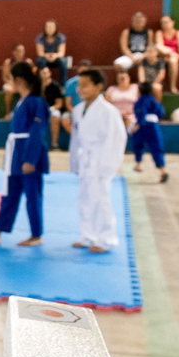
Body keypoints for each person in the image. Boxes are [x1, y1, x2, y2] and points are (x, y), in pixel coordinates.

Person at [0, 63, 48, 248]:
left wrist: (30, 159)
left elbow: (38, 131)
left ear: (19, 80)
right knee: (9, 194)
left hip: (29, 154)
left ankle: (36, 234)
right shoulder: (21, 101)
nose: (8, 82)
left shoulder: (36, 102)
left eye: (9, 78)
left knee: (33, 196)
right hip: (16, 153)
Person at [69, 69, 128, 254]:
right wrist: (75, 162)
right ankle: (87, 236)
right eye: (79, 85)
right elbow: (76, 139)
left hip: (101, 159)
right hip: (85, 158)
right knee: (85, 198)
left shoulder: (109, 111)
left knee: (100, 200)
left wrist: (108, 166)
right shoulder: (79, 110)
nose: (80, 89)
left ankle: (105, 239)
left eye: (85, 85)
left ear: (98, 87)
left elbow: (117, 139)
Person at [130, 81, 168, 182]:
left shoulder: (140, 101)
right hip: (154, 125)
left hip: (142, 126)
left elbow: (141, 111)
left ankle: (138, 164)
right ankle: (162, 169)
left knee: (138, 144)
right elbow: (161, 112)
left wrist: (138, 124)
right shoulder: (154, 101)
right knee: (156, 147)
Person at [155, 15, 179, 93]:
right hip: (164, 57)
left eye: (166, 22)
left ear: (173, 22)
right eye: (162, 23)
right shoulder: (159, 33)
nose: (164, 25)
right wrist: (175, 55)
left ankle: (173, 87)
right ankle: (172, 87)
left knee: (173, 60)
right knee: (171, 57)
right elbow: (161, 49)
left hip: (176, 59)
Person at [39, 65, 68, 151]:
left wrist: (51, 108)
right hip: (39, 109)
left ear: (49, 74)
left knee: (55, 115)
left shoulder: (55, 86)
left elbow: (59, 103)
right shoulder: (37, 86)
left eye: (46, 72)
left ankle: (54, 144)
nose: (44, 74)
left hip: (52, 109)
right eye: (42, 73)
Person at [34, 19, 67, 84]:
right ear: (45, 28)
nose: (50, 29)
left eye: (52, 27)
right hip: (44, 57)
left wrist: (54, 56)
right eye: (48, 27)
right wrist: (47, 56)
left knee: (63, 61)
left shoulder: (61, 37)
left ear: (56, 28)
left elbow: (61, 53)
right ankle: (42, 83)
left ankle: (63, 85)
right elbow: (40, 53)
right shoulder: (40, 38)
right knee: (40, 60)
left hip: (56, 58)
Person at [2, 43, 33, 112]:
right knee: (8, 90)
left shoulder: (28, 62)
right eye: (18, 51)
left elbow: (31, 76)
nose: (20, 53)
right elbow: (5, 78)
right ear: (14, 52)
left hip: (24, 85)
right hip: (11, 84)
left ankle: (28, 111)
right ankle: (8, 113)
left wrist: (23, 85)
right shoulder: (8, 62)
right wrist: (13, 84)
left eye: (22, 51)